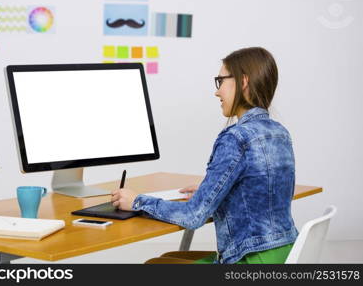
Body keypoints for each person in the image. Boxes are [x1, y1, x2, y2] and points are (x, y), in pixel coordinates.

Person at [111, 47, 298, 264]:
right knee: (168, 258)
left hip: (249, 259)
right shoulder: (280, 133)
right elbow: (260, 190)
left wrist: (137, 201)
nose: (217, 92)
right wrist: (211, 190)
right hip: (284, 254)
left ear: (243, 81)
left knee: (153, 265)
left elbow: (193, 215)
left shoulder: (237, 137)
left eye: (221, 81)